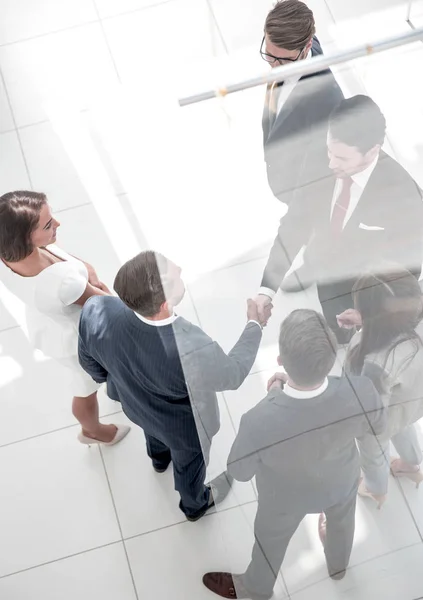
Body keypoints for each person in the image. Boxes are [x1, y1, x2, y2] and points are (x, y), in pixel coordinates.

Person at [202, 309, 385, 599]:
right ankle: (338, 566)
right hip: (341, 483)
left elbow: (239, 471)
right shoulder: (361, 391)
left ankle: (256, 588)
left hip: (283, 500)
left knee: (269, 542)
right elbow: (376, 425)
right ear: (330, 359)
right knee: (342, 524)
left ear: (280, 361)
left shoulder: (258, 420)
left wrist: (275, 394)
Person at [78, 251, 271, 522]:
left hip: (135, 405)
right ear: (165, 304)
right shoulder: (192, 348)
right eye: (173, 272)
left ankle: (158, 460)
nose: (179, 267)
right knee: (189, 464)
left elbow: (89, 361)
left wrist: (115, 380)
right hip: (183, 428)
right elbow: (234, 374)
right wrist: (255, 324)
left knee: (153, 430)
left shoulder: (97, 309)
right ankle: (195, 505)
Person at [256, 95, 423, 343]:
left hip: (364, 291)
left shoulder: (403, 197)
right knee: (335, 331)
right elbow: (295, 222)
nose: (331, 163)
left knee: (360, 345)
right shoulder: (319, 155)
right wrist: (266, 289)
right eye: (329, 151)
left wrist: (368, 313)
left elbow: (408, 270)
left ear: (372, 151)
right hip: (327, 271)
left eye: (342, 158)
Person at [0, 190, 129, 445]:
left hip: (49, 322)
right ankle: (91, 431)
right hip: (76, 340)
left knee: (83, 382)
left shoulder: (8, 253)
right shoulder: (61, 283)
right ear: (25, 238)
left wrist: (87, 275)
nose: (58, 224)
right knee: (85, 387)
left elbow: (68, 264)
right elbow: (105, 305)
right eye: (48, 225)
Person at [340, 267, 423, 507]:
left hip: (381, 418)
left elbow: (371, 416)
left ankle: (377, 489)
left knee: (373, 453)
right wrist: (368, 319)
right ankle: (412, 464)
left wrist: (363, 328)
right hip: (413, 401)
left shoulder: (375, 360)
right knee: (405, 427)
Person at [261, 0, 343, 206]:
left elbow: (321, 171)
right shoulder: (297, 46)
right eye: (269, 55)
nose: (274, 66)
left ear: (306, 47)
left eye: (282, 61)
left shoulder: (327, 103)